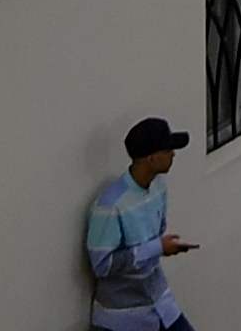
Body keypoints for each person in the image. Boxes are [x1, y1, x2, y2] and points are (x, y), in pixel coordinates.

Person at [82, 118, 193, 331]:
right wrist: (157, 248)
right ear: (151, 158)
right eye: (168, 150)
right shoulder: (110, 206)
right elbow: (102, 265)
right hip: (124, 318)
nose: (173, 154)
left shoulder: (159, 189)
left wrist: (162, 248)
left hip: (161, 304)